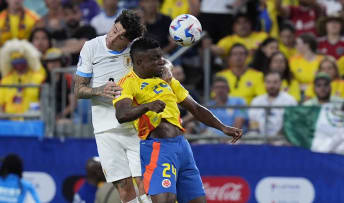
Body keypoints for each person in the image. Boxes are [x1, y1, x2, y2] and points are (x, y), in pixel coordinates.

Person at [113, 37, 242, 203]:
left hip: (182, 147)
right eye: (154, 59)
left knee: (197, 201)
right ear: (139, 61)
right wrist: (147, 106)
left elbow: (195, 108)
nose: (161, 62)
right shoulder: (127, 83)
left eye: (160, 57)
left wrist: (223, 127)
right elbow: (121, 115)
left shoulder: (167, 80)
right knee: (164, 200)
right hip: (157, 147)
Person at [74, 10, 151, 203]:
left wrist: (166, 67)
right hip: (105, 129)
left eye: (120, 35)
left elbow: (159, 64)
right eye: (114, 29)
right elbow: (79, 90)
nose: (113, 36)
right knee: (125, 191)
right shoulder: (91, 47)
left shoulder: (136, 51)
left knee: (144, 184)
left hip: (134, 127)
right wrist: (99, 90)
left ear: (129, 40)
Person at [0, 39, 46, 114]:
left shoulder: (39, 78)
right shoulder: (5, 80)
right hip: (10, 121)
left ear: (28, 58)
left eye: (21, 57)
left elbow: (44, 102)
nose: (18, 60)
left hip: (32, 121)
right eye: (15, 58)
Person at [249, 71, 297, 137]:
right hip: (259, 138)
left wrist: (277, 138)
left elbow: (291, 124)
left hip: (282, 139)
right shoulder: (256, 101)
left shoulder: (290, 100)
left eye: (275, 82)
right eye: (268, 82)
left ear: (281, 83)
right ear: (264, 83)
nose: (272, 85)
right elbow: (253, 123)